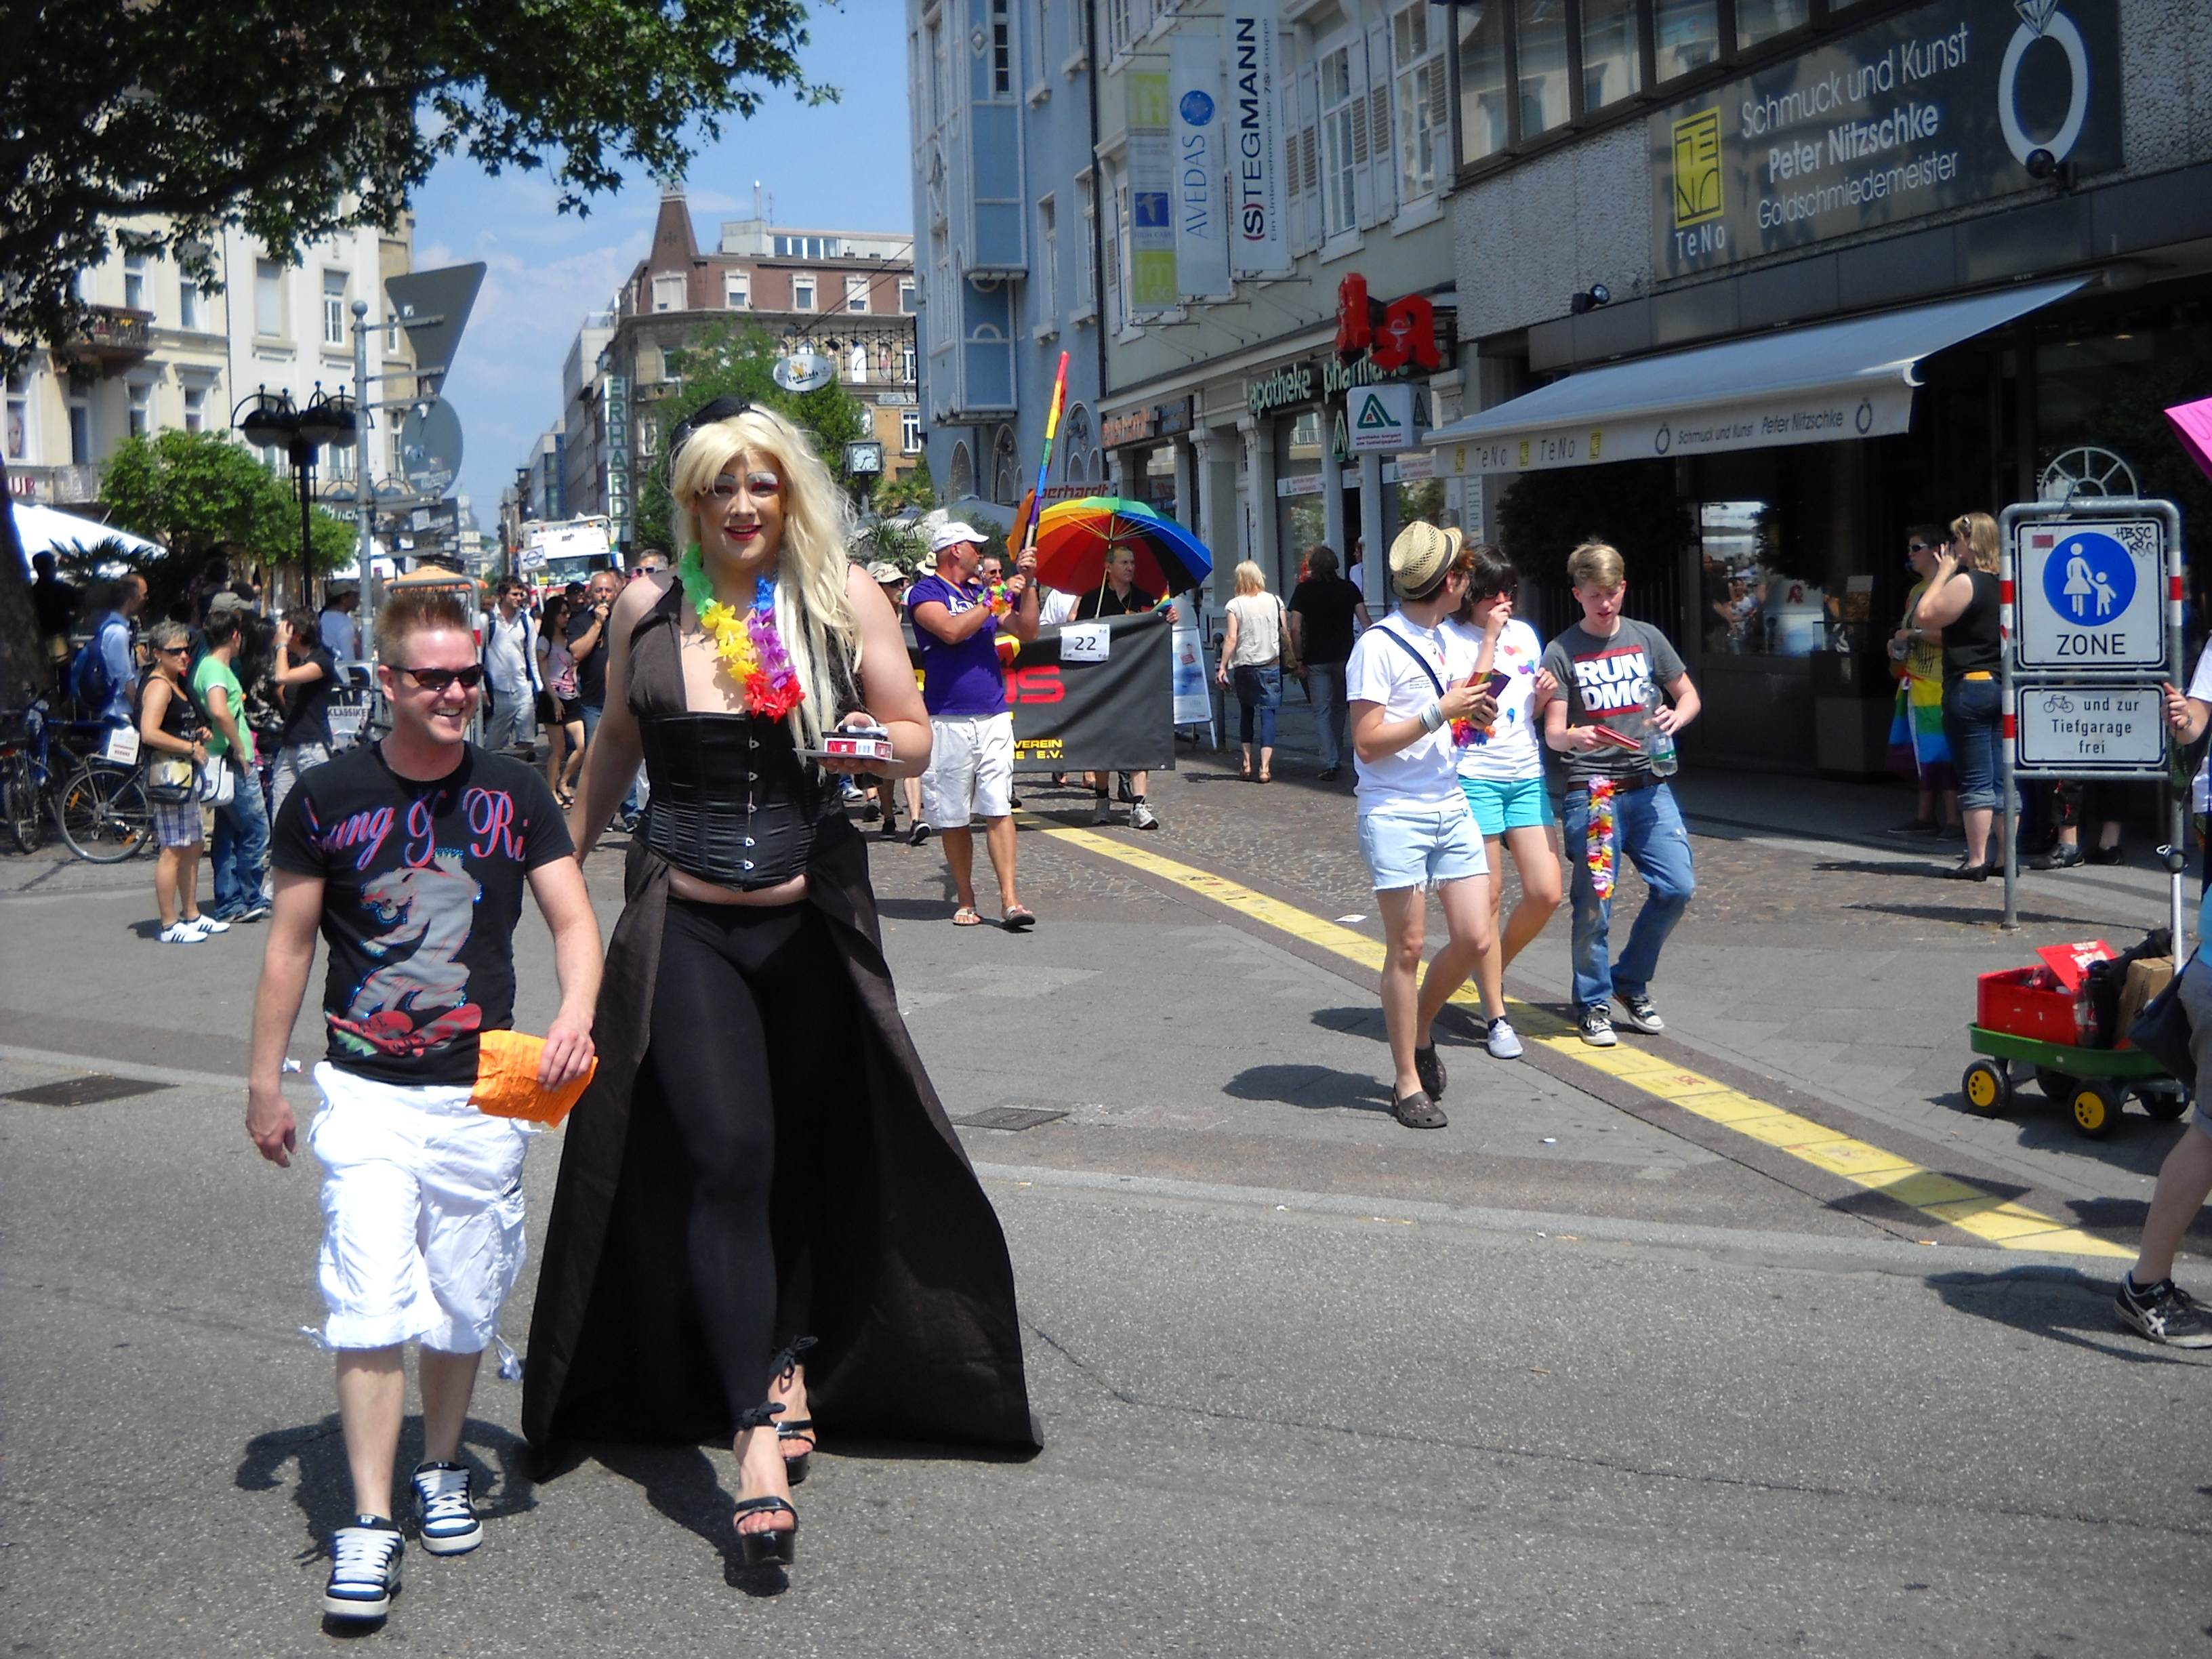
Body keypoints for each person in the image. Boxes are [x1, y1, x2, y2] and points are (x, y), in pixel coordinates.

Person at [523, 405, 1039, 1573]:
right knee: (726, 1156)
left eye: (761, 484)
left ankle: (794, 1349)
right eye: (721, 488)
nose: (743, 505)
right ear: (692, 503)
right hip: (688, 920)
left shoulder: (839, 598)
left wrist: (875, 743)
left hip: (810, 919)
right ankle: (754, 1423)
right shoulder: (647, 611)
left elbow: (913, 732)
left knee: (805, 1146)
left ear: (789, 492)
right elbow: (616, 741)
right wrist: (560, 858)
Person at [245, 583, 599, 1623]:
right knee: (368, 1301)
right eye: (433, 677)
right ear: (389, 680)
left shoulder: (515, 791)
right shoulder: (326, 797)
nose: (456, 693)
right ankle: (366, 1520)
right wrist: (264, 1083)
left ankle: (440, 1465)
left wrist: (578, 1012)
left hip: (483, 1093)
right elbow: (289, 948)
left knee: (460, 1298)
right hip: (366, 1092)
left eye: (467, 674)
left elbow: (573, 921)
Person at [1346, 525, 1497, 1130]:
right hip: (1394, 810)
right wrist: (1440, 711)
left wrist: (1470, 713)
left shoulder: (1444, 640)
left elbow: (1444, 717)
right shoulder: (1377, 646)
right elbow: (1367, 742)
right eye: (1465, 571)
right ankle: (1406, 1080)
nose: (1471, 580)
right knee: (1407, 947)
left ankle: (1422, 1028)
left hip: (1449, 800)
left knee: (1475, 937)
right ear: (1449, 582)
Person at [1542, 540, 1700, 1048]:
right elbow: (1553, 733)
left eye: (1612, 593)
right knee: (1596, 901)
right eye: (1595, 595)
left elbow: (1688, 695)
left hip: (1649, 786)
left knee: (1677, 887)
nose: (1605, 603)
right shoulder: (1562, 650)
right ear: (1578, 595)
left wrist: (1677, 717)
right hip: (1594, 791)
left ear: (1624, 588)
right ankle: (1592, 1002)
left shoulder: (1647, 638)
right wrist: (1575, 736)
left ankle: (1629, 981)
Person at [1445, 544, 1561, 1062]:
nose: (1503, 602)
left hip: (1525, 772)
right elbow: (1466, 713)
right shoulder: (1452, 639)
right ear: (1471, 595)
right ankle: (1496, 1014)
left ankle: (1488, 966)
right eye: (1492, 593)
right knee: (1487, 898)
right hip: (1475, 776)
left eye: (1509, 591)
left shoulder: (1526, 635)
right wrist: (1489, 639)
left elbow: (1522, 713)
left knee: (1546, 891)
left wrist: (1543, 695)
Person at [909, 520, 1040, 927]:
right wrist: (996, 596)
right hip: (947, 719)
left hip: (993, 714)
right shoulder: (926, 592)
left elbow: (1028, 631)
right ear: (955, 550)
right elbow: (951, 631)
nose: (980, 553)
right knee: (954, 815)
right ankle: (966, 898)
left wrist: (1030, 585)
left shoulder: (980, 593)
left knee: (999, 807)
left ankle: (1010, 900)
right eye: (974, 547)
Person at [1912, 511, 2007, 880]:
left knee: (1976, 778)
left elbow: (1925, 615)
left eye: (1956, 541)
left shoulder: (1969, 582)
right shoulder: (2006, 582)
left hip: (1970, 685)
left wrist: (1943, 573)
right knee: (2003, 778)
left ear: (1970, 543)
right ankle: (2006, 858)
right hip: (2001, 686)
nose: (1951, 547)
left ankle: (1977, 859)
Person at [138, 621, 220, 943]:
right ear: (157, 653)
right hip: (169, 775)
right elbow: (149, 732)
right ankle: (169, 924)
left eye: (186, 649)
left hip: (184, 773)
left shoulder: (176, 682)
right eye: (175, 651)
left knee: (193, 844)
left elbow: (177, 724)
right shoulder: (159, 685)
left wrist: (199, 733)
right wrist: (189, 747)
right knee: (173, 848)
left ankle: (192, 914)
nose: (184, 656)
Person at [192, 598, 271, 924]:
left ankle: (230, 900)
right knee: (256, 828)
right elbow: (219, 710)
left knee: (228, 832)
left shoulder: (210, 667)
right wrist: (240, 748)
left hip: (223, 758)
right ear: (235, 636)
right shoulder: (215, 668)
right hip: (232, 759)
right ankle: (249, 895)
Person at [1883, 527, 1963, 840]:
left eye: (1916, 548)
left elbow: (1953, 636)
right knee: (1922, 751)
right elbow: (1909, 629)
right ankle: (1925, 815)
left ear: (1936, 550)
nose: (1910, 554)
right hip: (1914, 681)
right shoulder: (1917, 590)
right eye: (1910, 548)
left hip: (1938, 681)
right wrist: (1897, 642)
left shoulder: (1953, 586)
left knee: (1940, 752)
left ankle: (1954, 820)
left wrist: (1913, 634)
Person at [1073, 545, 1161, 829]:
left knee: (1138, 742)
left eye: (1132, 563)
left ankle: (1139, 806)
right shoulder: (1093, 599)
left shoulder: (1144, 599)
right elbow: (1076, 638)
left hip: (1136, 681)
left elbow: (1154, 633)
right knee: (1103, 743)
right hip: (1102, 682)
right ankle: (1102, 800)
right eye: (1124, 562)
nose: (1130, 567)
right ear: (1108, 567)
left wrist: (1166, 620)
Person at [1288, 544, 1370, 781]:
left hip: (1316, 658)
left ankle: (1330, 761)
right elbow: (1366, 622)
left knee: (1321, 710)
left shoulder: (1303, 590)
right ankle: (1337, 753)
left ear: (1313, 566)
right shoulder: (1348, 588)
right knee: (1340, 707)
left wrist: (1299, 658)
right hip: (1345, 656)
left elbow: (1295, 629)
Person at [569, 567, 636, 829]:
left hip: (622, 697)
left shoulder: (626, 617)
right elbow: (577, 653)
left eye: (609, 589)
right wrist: (598, 623)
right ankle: (602, 813)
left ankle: (631, 811)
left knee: (627, 755)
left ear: (617, 591)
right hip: (593, 701)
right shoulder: (580, 621)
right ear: (590, 594)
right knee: (598, 758)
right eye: (599, 590)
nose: (604, 595)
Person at [1218, 560, 1290, 783]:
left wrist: (1223, 665)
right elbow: (1284, 631)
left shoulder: (1234, 605)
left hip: (1245, 665)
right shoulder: (1276, 601)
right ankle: (1265, 768)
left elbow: (1232, 637)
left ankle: (1247, 763)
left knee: (1247, 712)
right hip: (1271, 663)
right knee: (1268, 714)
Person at [269, 607, 337, 825]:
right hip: (290, 744)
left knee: (319, 811)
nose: (279, 633)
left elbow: (282, 677)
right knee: (281, 814)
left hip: (313, 746)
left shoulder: (322, 660)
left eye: (285, 629)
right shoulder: (297, 660)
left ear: (297, 634)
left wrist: (281, 646)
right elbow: (282, 691)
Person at [535, 594, 588, 807]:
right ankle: (551, 790)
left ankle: (564, 782)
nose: (567, 617)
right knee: (558, 749)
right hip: (552, 698)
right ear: (553, 615)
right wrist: (554, 699)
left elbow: (572, 667)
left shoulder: (568, 639)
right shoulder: (544, 641)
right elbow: (543, 673)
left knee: (583, 746)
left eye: (568, 613)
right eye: (563, 613)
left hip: (571, 697)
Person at [480, 581, 540, 758]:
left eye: (521, 594)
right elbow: (477, 656)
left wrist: (538, 687)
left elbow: (532, 656)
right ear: (502, 595)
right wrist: (482, 688)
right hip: (497, 692)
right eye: (514, 594)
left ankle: (522, 774)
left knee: (527, 743)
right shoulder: (487, 620)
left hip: (523, 689)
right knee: (494, 747)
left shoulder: (526, 621)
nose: (519, 598)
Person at [75, 577, 142, 726]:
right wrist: (141, 715)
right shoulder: (118, 632)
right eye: (139, 598)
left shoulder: (110, 626)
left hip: (117, 711)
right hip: (120, 712)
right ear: (130, 602)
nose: (143, 601)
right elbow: (125, 679)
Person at [31, 551, 79, 695]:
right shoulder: (63, 589)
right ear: (53, 566)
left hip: (40, 640)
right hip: (61, 638)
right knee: (65, 676)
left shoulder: (32, 592)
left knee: (46, 677)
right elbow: (79, 612)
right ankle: (64, 702)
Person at [319, 588, 362, 660]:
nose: (358, 600)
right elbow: (348, 659)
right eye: (355, 596)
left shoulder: (322, 616)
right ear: (343, 599)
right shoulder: (344, 622)